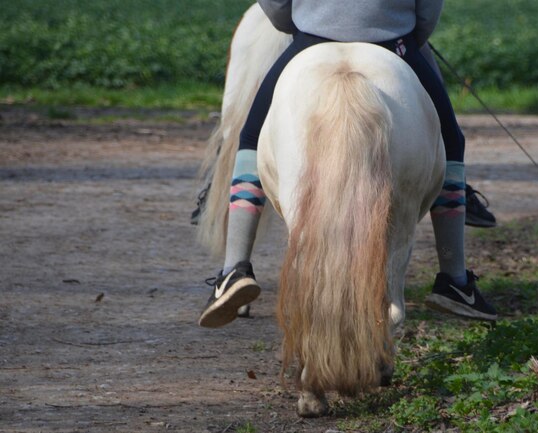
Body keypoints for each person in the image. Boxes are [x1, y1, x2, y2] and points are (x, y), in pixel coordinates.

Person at [198, 0, 497, 328]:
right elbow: (427, 12)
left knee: (250, 140)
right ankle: (455, 280)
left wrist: (308, 21)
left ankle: (234, 269)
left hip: (310, 41)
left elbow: (277, 7)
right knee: (451, 142)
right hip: (395, 45)